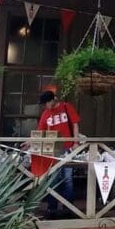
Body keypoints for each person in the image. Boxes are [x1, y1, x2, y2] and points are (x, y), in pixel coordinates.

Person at [36, 90, 81, 219]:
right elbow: (40, 132)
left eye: (46, 103)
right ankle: (52, 209)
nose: (45, 106)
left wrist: (75, 142)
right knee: (53, 179)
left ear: (52, 100)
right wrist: (29, 143)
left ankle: (68, 208)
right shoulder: (45, 114)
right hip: (52, 151)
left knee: (68, 179)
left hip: (67, 149)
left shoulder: (66, 107)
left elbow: (75, 124)